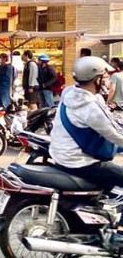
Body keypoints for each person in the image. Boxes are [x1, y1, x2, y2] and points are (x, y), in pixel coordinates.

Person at [49, 56, 123, 249]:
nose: (107, 81)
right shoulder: (88, 106)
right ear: (96, 79)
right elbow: (114, 134)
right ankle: (120, 235)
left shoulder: (71, 94)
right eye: (104, 77)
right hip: (79, 162)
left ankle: (99, 219)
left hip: (62, 157)